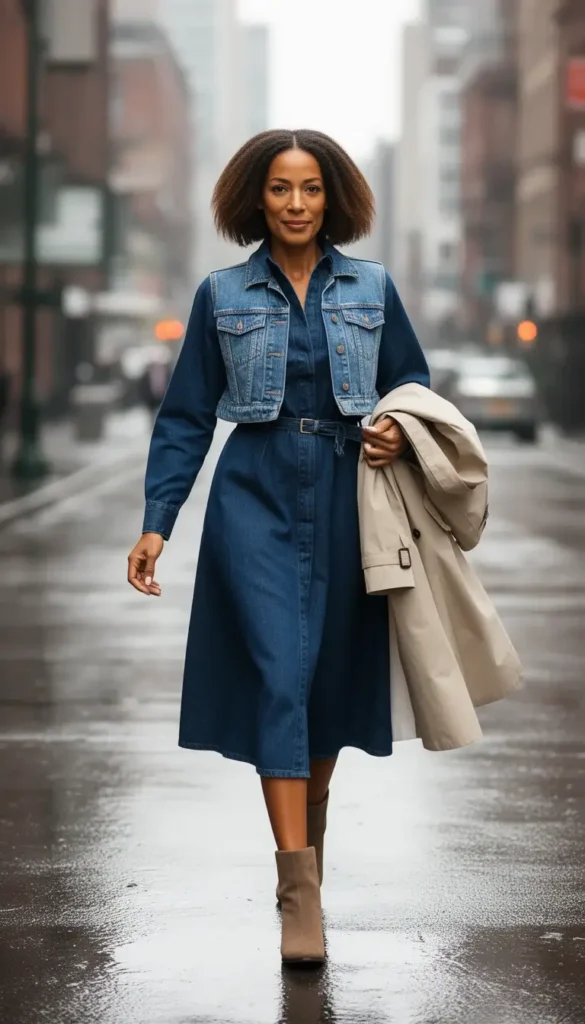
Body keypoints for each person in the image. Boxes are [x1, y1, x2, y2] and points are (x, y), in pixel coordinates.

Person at [127, 130, 430, 965]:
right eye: (279, 190)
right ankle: (299, 896)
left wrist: (396, 429)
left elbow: (412, 385)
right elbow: (186, 414)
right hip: (253, 493)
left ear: (331, 198)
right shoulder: (221, 294)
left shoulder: (372, 286)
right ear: (253, 200)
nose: (295, 204)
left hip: (347, 495)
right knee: (275, 676)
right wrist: (159, 521)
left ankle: (309, 860)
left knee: (327, 681)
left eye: (309, 189)